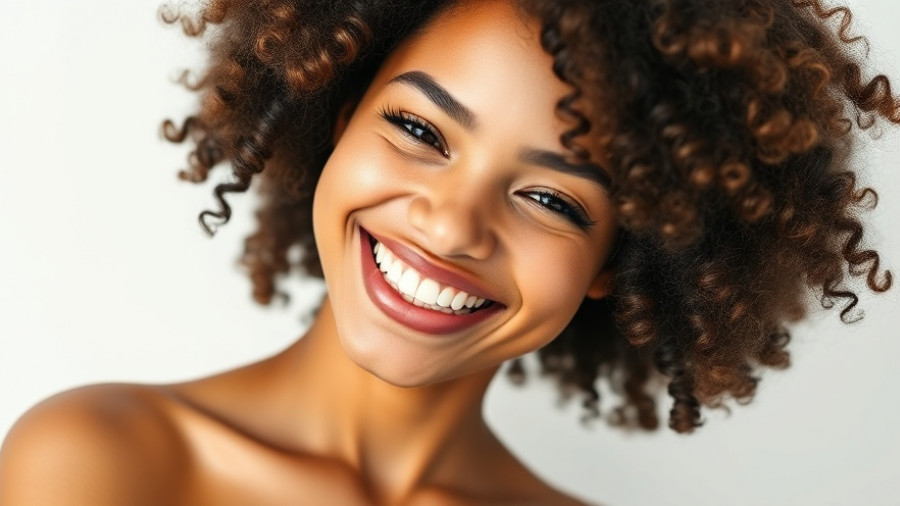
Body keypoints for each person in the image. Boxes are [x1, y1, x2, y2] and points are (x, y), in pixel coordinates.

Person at [0, 0, 895, 504]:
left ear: (618, 264)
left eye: (549, 198)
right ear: (339, 115)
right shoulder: (98, 464)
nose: (452, 225)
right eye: (420, 129)